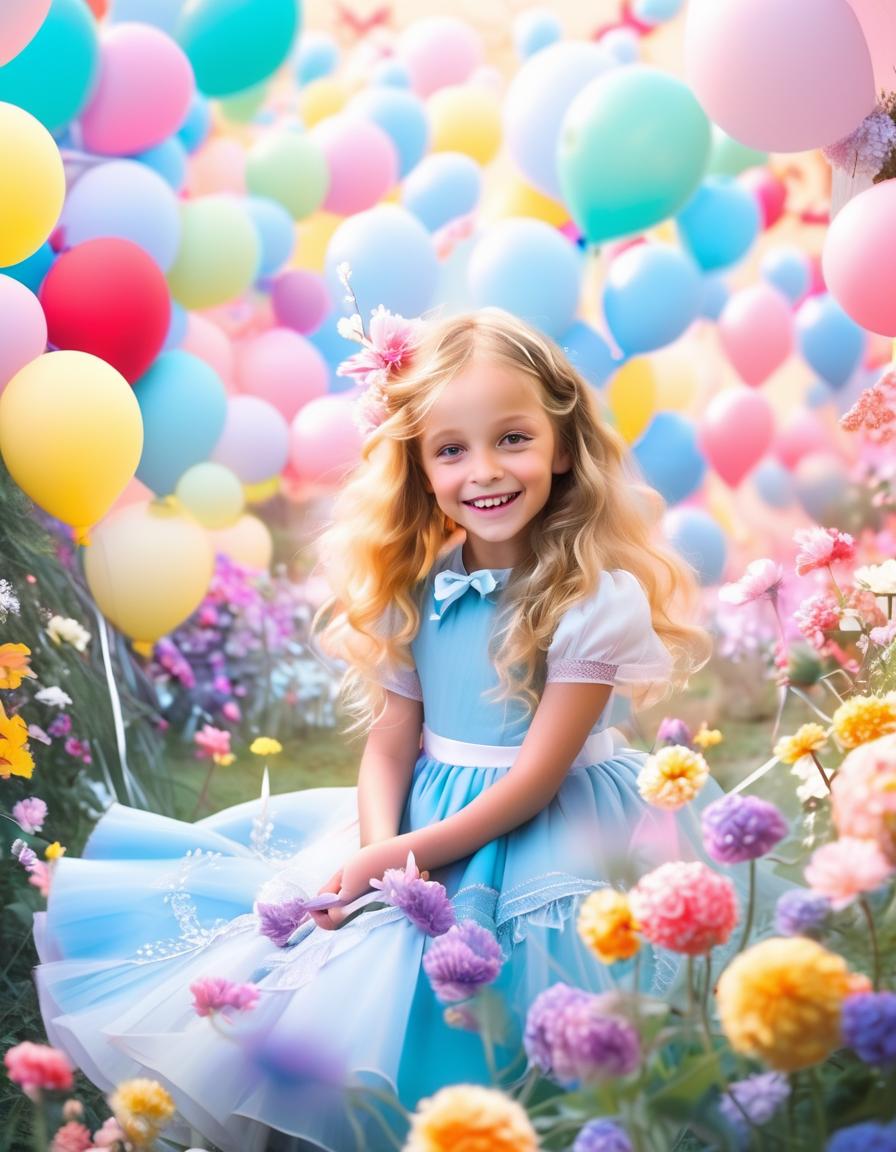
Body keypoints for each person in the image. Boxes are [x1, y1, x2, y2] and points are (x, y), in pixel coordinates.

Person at [33, 307, 715, 1152]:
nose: (484, 470)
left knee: (533, 1009)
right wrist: (380, 841)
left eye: (513, 438)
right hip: (422, 813)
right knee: (352, 972)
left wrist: (397, 861)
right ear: (421, 467)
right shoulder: (416, 586)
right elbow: (394, 738)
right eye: (452, 449)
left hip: (552, 823)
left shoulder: (589, 599)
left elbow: (536, 778)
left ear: (563, 446)